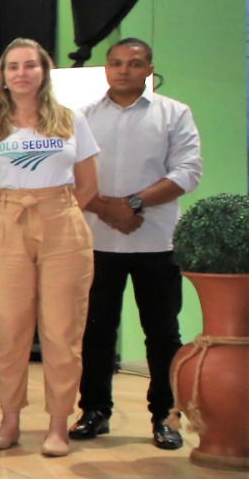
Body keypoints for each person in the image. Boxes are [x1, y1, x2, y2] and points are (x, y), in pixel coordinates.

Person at [0, 38, 99, 457]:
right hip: (6, 223)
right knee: (9, 329)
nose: (21, 73)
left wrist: (54, 213)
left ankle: (58, 424)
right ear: (3, 76)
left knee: (62, 329)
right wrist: (5, 216)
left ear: (44, 71)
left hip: (62, 222)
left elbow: (89, 184)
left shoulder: (71, 119)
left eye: (30, 65)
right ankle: (9, 420)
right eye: (12, 67)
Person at [76, 38, 201, 451]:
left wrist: (131, 204)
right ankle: (94, 411)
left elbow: (187, 171)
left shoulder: (173, 113)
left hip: (157, 243)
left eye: (134, 64)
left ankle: (165, 416)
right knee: (95, 332)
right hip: (97, 240)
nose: (124, 70)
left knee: (163, 335)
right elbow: (67, 174)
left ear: (149, 69)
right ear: (106, 69)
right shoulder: (83, 117)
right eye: (115, 63)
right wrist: (107, 210)